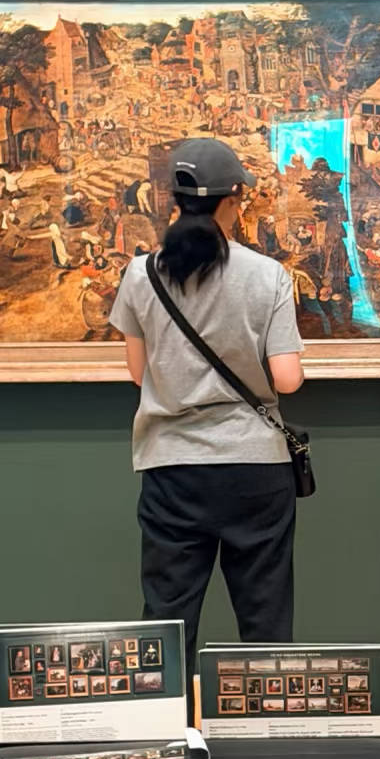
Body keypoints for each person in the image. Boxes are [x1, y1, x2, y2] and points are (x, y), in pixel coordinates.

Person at [109, 138, 305, 722]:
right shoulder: (268, 275)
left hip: (171, 466)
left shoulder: (141, 275)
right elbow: (287, 380)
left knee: (167, 619)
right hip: (255, 469)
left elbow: (138, 373)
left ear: (174, 199)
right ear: (235, 199)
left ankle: (167, 736)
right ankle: (264, 736)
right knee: (265, 616)